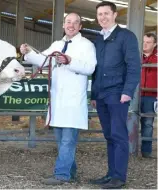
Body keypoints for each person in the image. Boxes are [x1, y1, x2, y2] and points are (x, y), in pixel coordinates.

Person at [20, 13, 97, 185]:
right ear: (63, 25)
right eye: (68, 22)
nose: (71, 25)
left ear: (80, 26)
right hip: (57, 100)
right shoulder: (57, 44)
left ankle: (61, 175)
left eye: (75, 23)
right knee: (61, 140)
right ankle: (71, 173)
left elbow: (90, 68)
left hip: (73, 100)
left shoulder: (87, 45)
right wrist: (28, 53)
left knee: (68, 140)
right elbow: (43, 59)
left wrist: (70, 61)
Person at [89, 1, 141, 189]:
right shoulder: (99, 39)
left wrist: (128, 91)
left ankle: (119, 177)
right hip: (101, 94)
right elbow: (95, 69)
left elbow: (134, 66)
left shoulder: (126, 36)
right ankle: (110, 174)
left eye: (106, 13)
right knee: (109, 135)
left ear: (115, 15)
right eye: (100, 14)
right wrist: (94, 94)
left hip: (117, 93)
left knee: (118, 135)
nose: (103, 17)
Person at [140, 33, 157, 158]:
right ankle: (130, 148)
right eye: (144, 41)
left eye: (148, 42)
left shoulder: (157, 58)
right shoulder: (135, 56)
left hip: (151, 95)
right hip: (134, 94)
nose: (145, 44)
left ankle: (146, 151)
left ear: (155, 44)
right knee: (130, 119)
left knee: (147, 123)